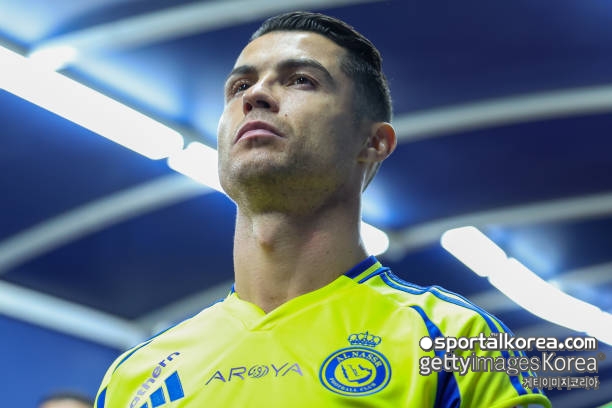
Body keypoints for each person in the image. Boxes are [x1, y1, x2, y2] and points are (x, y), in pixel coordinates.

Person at [95, 11, 551, 407]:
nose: (255, 96)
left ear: (373, 142)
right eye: (240, 86)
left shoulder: (459, 340)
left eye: (301, 80)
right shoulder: (135, 373)